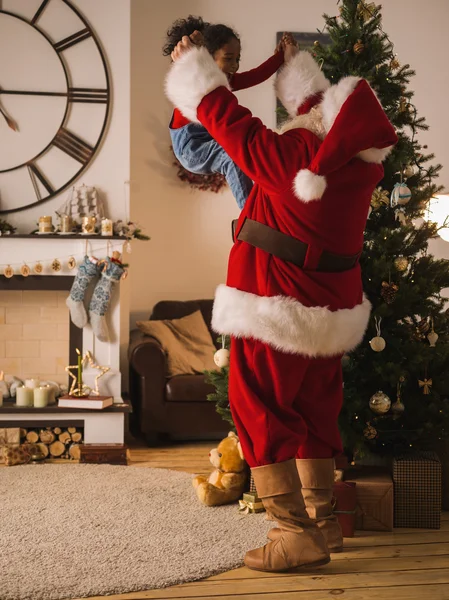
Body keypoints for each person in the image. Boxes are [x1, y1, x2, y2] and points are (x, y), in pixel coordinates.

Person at [165, 39, 397, 573]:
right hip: (327, 309)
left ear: (324, 127)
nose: (308, 116)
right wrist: (292, 67)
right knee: (316, 410)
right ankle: (323, 521)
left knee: (259, 409)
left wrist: (194, 72)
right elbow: (317, 111)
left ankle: (294, 532)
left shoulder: (294, 159)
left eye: (317, 115)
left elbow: (233, 125)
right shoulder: (349, 163)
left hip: (276, 305)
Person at [163, 16, 297, 209]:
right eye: (228, 58)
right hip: (190, 147)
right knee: (230, 156)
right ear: (207, 57)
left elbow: (256, 75)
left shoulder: (226, 81)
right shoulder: (195, 80)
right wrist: (193, 52)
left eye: (237, 59)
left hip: (207, 140)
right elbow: (183, 72)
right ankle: (249, 212)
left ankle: (263, 203)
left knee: (246, 152)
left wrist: (279, 57)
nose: (235, 66)